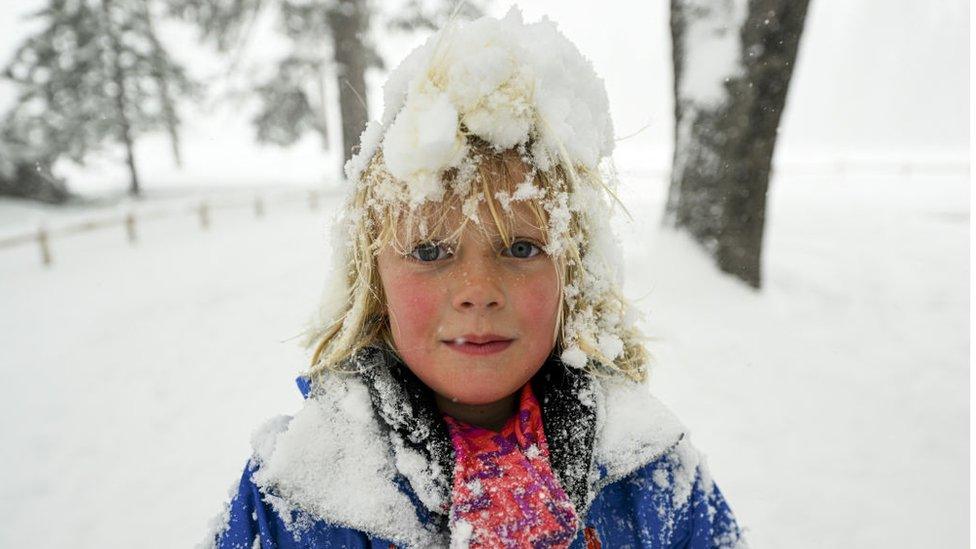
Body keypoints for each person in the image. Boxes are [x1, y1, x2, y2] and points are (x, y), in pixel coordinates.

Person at [207, 7, 746, 548]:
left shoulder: (652, 470)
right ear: (373, 284)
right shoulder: (295, 492)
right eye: (428, 250)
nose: (478, 292)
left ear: (571, 273)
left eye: (520, 247)